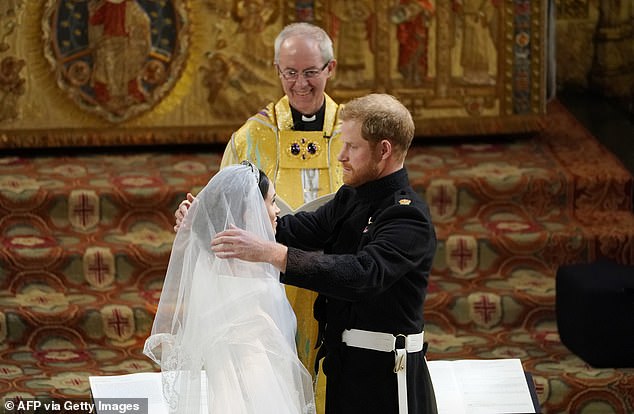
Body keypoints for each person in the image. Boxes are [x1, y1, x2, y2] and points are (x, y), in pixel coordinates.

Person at [211, 94, 438, 414]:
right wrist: (205, 221)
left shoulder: (406, 216)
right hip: (343, 368)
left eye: (352, 147)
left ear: (384, 150)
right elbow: (292, 230)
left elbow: (363, 274)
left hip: (386, 376)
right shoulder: (351, 199)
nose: (341, 157)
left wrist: (274, 254)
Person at [175, 22, 343, 391]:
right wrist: (195, 219)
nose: (300, 83)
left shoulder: (354, 131)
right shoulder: (251, 136)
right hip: (271, 287)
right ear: (277, 70)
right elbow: (223, 211)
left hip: (339, 279)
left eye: (311, 72)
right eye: (290, 72)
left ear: (330, 68)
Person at [145, 162, 315, 414]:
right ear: (250, 211)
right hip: (255, 373)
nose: (277, 210)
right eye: (272, 202)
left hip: (234, 373)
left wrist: (198, 219)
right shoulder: (252, 266)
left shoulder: (213, 257)